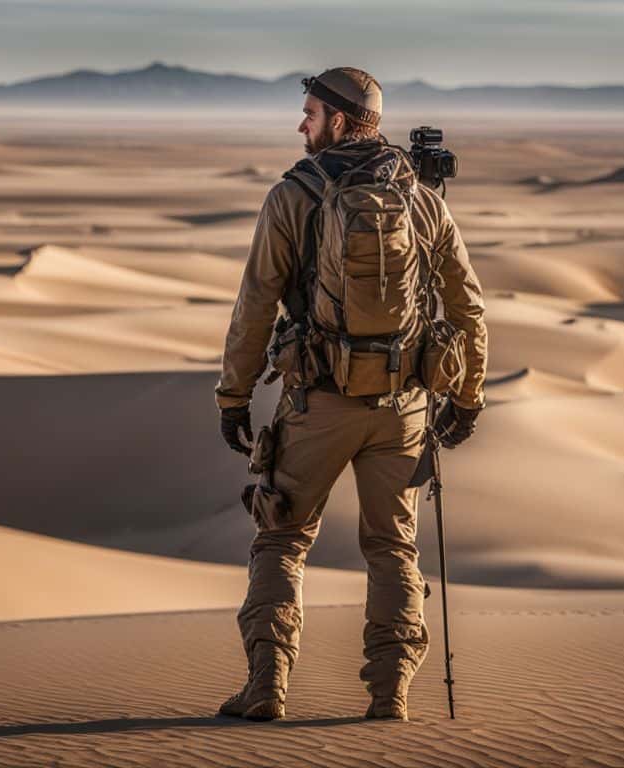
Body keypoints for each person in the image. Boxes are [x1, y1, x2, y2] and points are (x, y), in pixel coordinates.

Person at [214, 66, 488, 722]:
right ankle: (390, 692)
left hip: (319, 402)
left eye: (309, 113)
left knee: (281, 539)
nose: (300, 124)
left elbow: (255, 306)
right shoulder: (422, 196)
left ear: (339, 120)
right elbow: (468, 306)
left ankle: (267, 687)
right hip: (404, 408)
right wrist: (469, 396)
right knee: (393, 549)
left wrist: (233, 396)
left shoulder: (293, 195)